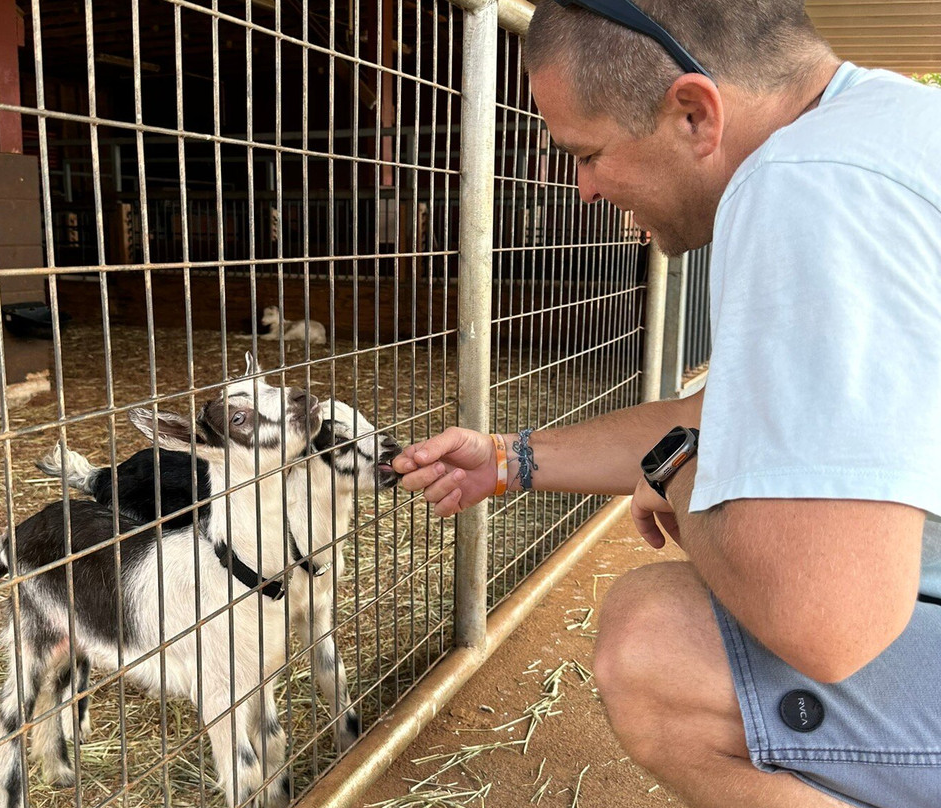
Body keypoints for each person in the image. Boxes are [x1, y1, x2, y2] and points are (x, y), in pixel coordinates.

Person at [392, 2, 941, 807]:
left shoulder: (804, 188)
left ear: (693, 112)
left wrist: (676, 473)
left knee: (657, 645)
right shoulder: (883, 126)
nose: (582, 191)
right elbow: (732, 420)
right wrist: (509, 459)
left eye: (587, 154)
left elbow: (827, 622)